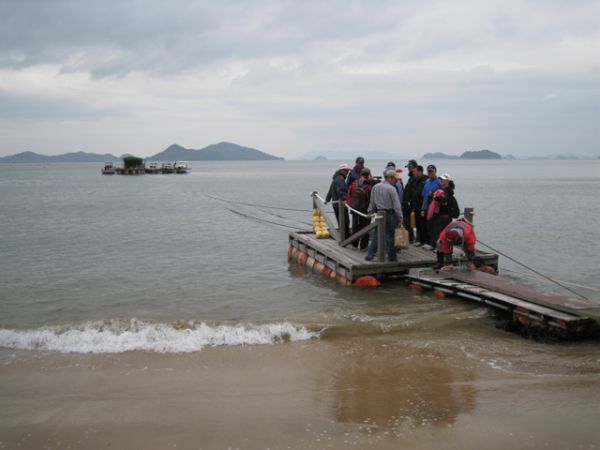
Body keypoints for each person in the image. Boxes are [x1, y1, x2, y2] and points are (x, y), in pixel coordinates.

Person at [365, 170, 403, 262]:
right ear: (390, 178)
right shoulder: (391, 189)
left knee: (377, 234)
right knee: (391, 236)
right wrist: (400, 217)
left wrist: (370, 211)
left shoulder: (375, 186)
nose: (396, 181)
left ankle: (370, 254)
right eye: (395, 179)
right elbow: (396, 205)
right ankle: (391, 257)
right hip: (390, 214)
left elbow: (372, 201)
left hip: (379, 213)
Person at [347, 167, 373, 249]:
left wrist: (350, 205)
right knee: (365, 228)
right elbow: (371, 199)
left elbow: (349, 195)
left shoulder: (354, 183)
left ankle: (354, 244)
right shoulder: (370, 185)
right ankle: (363, 245)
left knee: (355, 226)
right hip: (364, 210)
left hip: (355, 209)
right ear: (368, 175)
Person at [326, 163, 351, 237]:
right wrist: (344, 199)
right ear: (341, 171)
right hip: (340, 204)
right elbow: (341, 190)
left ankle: (343, 236)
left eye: (348, 170)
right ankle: (346, 238)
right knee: (345, 222)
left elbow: (331, 190)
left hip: (335, 204)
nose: (347, 172)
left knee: (340, 221)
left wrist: (327, 199)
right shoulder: (340, 179)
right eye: (345, 170)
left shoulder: (336, 178)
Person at [434, 173, 460, 242]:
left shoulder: (446, 190)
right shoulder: (447, 190)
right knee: (443, 232)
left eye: (443, 180)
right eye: (441, 179)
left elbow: (444, 200)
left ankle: (442, 249)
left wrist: (436, 197)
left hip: (445, 216)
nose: (441, 181)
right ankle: (443, 248)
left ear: (447, 181)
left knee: (442, 233)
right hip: (446, 215)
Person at [421, 164, 442, 249]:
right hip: (426, 207)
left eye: (431, 171)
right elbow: (424, 195)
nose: (430, 173)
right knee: (428, 225)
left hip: (435, 208)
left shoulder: (439, 182)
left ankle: (434, 244)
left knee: (435, 226)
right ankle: (430, 243)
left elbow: (442, 195)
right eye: (428, 171)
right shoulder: (427, 181)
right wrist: (423, 206)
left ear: (435, 171)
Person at [410, 165, 427, 246]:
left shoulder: (425, 180)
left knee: (423, 224)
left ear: (420, 171)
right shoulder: (415, 180)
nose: (413, 173)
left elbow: (422, 193)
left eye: (415, 171)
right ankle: (420, 240)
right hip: (416, 205)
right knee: (417, 224)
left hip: (422, 206)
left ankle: (425, 241)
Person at [402, 160, 418, 242]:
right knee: (407, 222)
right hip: (408, 203)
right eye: (408, 167)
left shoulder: (415, 178)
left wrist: (411, 202)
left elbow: (415, 192)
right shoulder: (410, 178)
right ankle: (410, 238)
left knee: (411, 222)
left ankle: (411, 238)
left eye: (410, 167)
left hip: (413, 204)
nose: (409, 169)